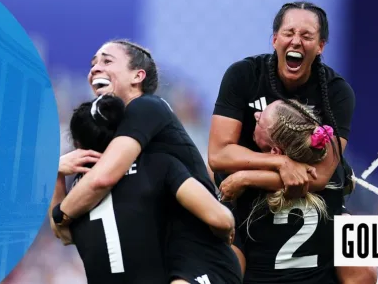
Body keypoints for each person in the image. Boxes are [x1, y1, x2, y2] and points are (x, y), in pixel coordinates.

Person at [208, 1, 376, 284]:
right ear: (274, 39)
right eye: (288, 32)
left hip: (320, 196)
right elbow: (218, 155)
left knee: (366, 273)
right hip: (244, 202)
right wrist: (280, 162)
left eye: (307, 36)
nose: (296, 40)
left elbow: (320, 176)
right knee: (221, 268)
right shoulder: (243, 74)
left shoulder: (337, 92)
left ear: (321, 46)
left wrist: (247, 177)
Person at [50, 40, 242, 283]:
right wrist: (58, 174)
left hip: (200, 256)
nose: (95, 69)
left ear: (138, 76)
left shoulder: (147, 106)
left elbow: (102, 179)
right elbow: (67, 235)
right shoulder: (122, 145)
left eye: (107, 61)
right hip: (170, 259)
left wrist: (60, 213)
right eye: (93, 64)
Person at [218, 99, 346, 283]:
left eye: (261, 120)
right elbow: (365, 275)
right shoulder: (334, 177)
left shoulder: (236, 182)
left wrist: (245, 178)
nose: (256, 114)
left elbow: (231, 267)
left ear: (275, 152)